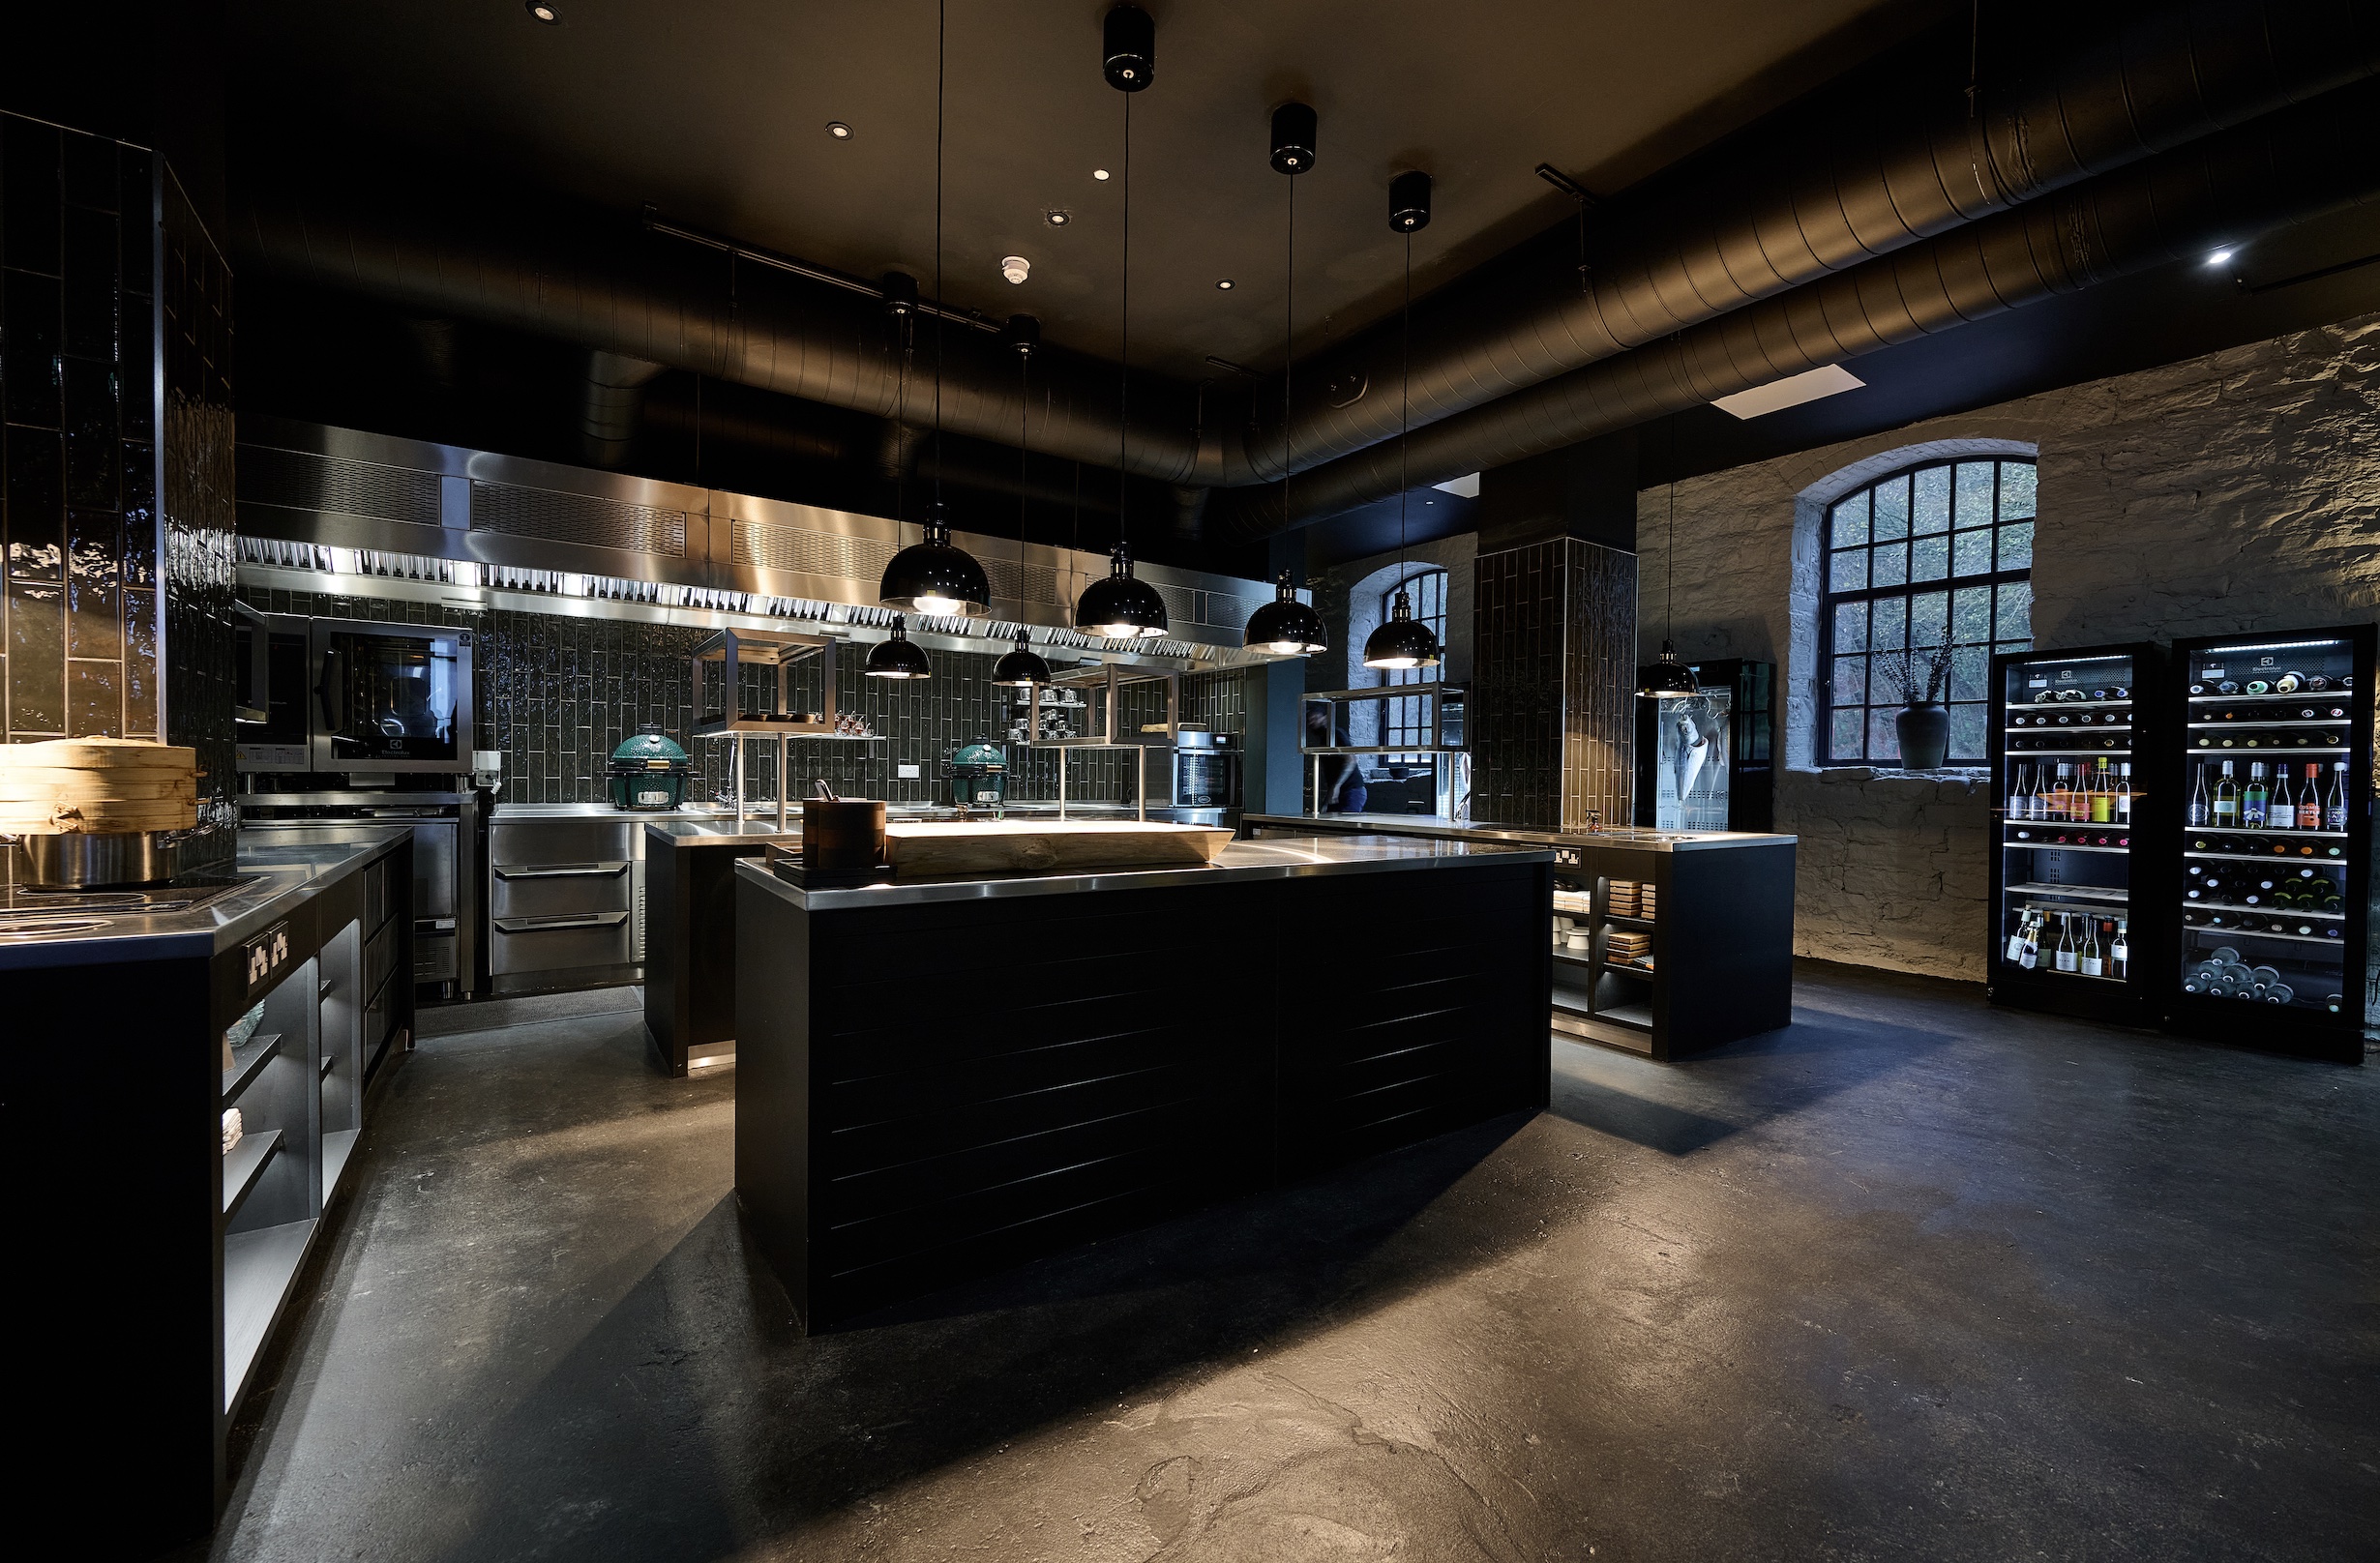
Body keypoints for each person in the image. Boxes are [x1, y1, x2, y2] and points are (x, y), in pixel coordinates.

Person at [1305, 702, 1367, 813]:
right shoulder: (1324, 739)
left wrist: (1336, 786)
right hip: (1341, 791)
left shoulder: (1336, 734)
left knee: (1343, 827)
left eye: (1315, 718)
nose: (1312, 722)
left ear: (1324, 718)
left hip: (1351, 790)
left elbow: (1350, 760)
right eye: (1310, 720)